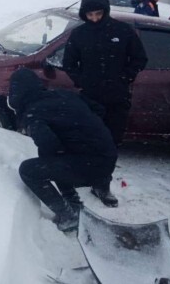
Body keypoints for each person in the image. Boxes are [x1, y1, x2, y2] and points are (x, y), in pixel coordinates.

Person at [62, 0, 148, 207]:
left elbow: (140, 58)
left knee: (110, 144)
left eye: (98, 14)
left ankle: (102, 184)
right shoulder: (79, 35)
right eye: (89, 15)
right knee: (85, 139)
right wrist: (81, 81)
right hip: (89, 98)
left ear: (105, 11)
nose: (94, 18)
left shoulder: (122, 31)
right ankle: (80, 177)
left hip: (117, 99)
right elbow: (69, 64)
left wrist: (124, 77)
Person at [10, 68, 117, 233]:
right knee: (55, 159)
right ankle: (73, 203)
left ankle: (68, 216)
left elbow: (48, 144)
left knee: (29, 170)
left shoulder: (33, 112)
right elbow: (99, 110)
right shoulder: (63, 94)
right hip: (106, 156)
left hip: (92, 164)